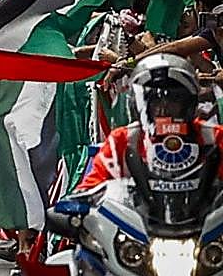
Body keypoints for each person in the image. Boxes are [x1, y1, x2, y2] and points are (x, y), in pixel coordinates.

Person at [77, 52, 223, 190]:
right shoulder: (123, 140)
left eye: (173, 100)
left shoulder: (214, 137)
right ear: (140, 105)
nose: (163, 109)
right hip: (136, 216)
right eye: (155, 101)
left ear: (188, 103)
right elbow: (90, 189)